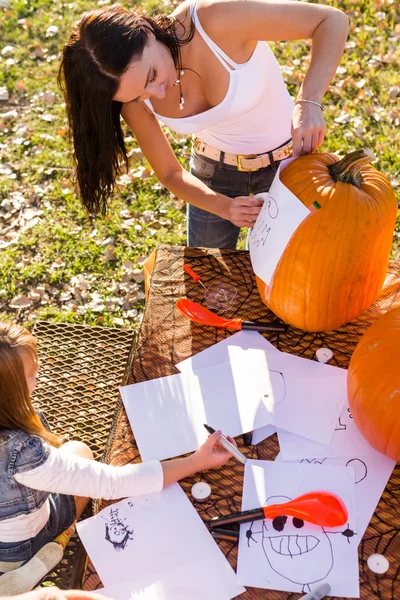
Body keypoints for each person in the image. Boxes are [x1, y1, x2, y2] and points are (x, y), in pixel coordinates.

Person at [59, 0, 349, 249]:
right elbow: (170, 173)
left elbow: (331, 20)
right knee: (208, 291)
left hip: (288, 165)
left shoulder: (214, 19)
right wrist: (223, 206)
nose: (157, 94)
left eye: (152, 76)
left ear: (146, 32)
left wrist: (309, 101)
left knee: (286, 281)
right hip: (212, 175)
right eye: (140, 95)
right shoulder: (128, 93)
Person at [0, 322, 235, 572]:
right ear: (13, 391)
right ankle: (53, 546)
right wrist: (195, 462)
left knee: (77, 452)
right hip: (19, 547)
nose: (39, 377)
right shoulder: (25, 453)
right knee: (82, 453)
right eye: (33, 374)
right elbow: (112, 483)